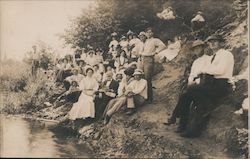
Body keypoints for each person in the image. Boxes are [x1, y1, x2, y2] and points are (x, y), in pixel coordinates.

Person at [166, 35, 234, 137]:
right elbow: (199, 74)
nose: (212, 44)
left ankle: (177, 117)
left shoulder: (226, 54)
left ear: (221, 43)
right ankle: (190, 130)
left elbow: (221, 70)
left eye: (215, 41)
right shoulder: (213, 57)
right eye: (210, 42)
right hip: (212, 84)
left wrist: (204, 71)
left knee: (190, 91)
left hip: (221, 84)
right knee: (187, 95)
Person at [139, 28, 166, 103]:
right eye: (147, 32)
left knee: (148, 79)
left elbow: (163, 45)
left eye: (150, 32)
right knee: (142, 78)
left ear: (153, 33)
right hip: (143, 60)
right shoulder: (145, 41)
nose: (149, 34)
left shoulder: (155, 40)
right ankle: (144, 97)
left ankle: (150, 98)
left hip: (149, 59)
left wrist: (155, 52)